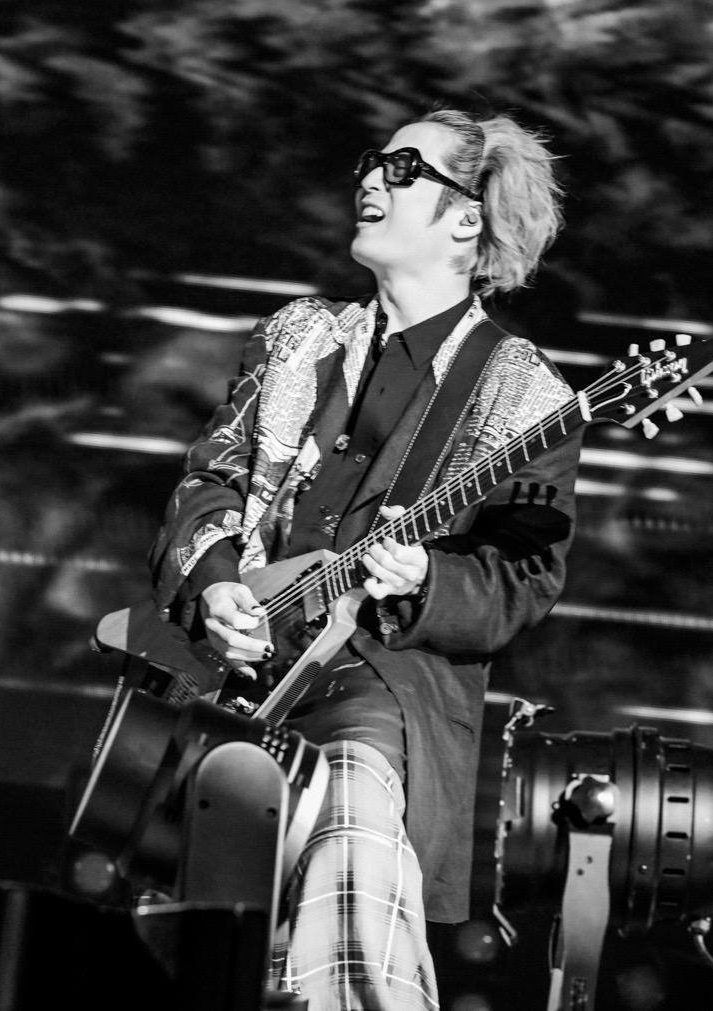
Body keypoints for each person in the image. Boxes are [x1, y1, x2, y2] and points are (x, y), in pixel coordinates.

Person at [148, 108, 582, 1010]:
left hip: (377, 684)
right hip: (233, 677)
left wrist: (428, 576)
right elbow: (210, 477)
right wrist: (218, 584)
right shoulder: (297, 337)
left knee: (348, 866)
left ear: (467, 218)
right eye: (372, 162)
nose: (372, 179)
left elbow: (522, 579)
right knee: (171, 940)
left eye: (404, 168)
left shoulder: (528, 396)